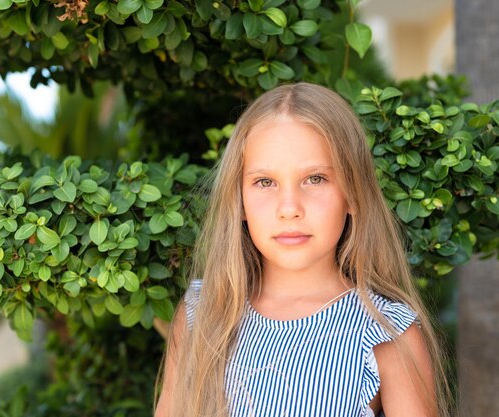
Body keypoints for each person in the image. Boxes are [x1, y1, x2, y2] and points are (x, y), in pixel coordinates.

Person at [154, 83, 451, 417]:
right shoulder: (202, 314)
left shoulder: (385, 332)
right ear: (239, 200)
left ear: (353, 193)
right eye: (265, 182)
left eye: (315, 179)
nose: (289, 208)